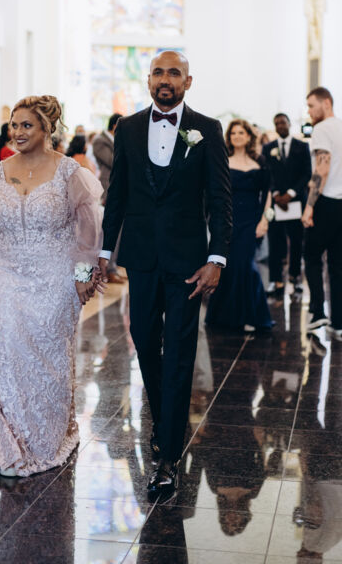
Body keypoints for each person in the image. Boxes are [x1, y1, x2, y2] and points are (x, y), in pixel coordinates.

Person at [99, 51, 232, 498]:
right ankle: (165, 419)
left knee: (177, 353)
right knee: (143, 341)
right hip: (140, 259)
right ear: (148, 79)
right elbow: (117, 194)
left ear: (188, 82)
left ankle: (168, 457)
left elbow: (221, 200)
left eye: (174, 73)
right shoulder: (128, 128)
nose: (165, 79)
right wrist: (104, 252)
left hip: (188, 264)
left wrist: (217, 258)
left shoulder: (207, 129)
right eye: (158, 71)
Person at [0, 95, 104, 477]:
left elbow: (89, 232)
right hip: (6, 277)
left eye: (26, 125)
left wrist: (83, 278)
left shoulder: (69, 172)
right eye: (14, 125)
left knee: (50, 358)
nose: (18, 132)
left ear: (46, 129)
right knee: (9, 356)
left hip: (55, 277)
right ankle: (14, 440)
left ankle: (49, 437)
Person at [206, 119, 273, 335]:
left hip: (252, 221)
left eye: (241, 132)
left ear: (248, 136)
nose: (236, 136)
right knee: (229, 266)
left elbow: (268, 194)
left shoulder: (260, 162)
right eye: (233, 133)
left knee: (246, 266)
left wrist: (265, 220)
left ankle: (252, 316)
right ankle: (224, 316)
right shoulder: (223, 160)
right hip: (228, 220)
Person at [302, 87, 342, 339]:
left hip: (325, 202)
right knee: (338, 265)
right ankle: (338, 323)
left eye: (311, 105)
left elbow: (322, 169)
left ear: (326, 103)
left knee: (312, 256)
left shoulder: (322, 129)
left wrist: (309, 206)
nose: (309, 111)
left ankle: (318, 312)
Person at [263, 113, 311, 297]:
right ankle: (275, 280)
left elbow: (307, 173)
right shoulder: (268, 148)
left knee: (296, 241)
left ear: (289, 124)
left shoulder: (302, 146)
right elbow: (267, 173)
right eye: (276, 123)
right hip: (276, 202)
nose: (280, 126)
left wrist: (290, 194)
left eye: (282, 122)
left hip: (296, 201)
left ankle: (295, 277)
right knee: (275, 241)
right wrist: (276, 194)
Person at [92, 113, 125, 284]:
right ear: (115, 125)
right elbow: (113, 161)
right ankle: (107, 268)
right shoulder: (100, 141)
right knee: (109, 230)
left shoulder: (114, 140)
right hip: (107, 189)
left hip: (120, 189)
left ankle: (113, 267)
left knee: (119, 231)